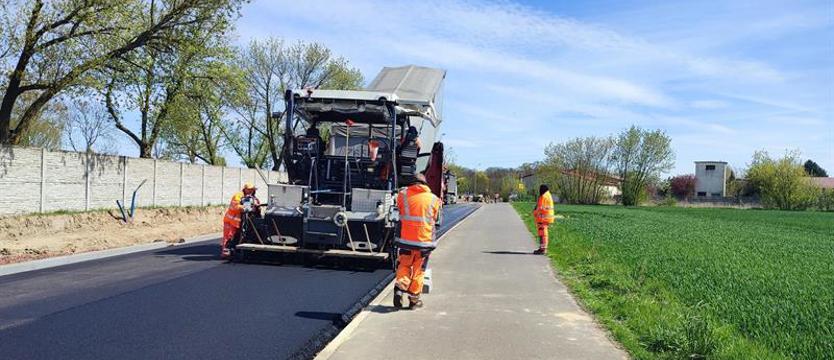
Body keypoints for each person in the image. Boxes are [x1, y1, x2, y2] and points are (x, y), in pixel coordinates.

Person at [394, 173, 442, 309]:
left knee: (404, 263)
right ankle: (414, 300)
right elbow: (437, 220)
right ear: (425, 184)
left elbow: (400, 210)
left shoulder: (402, 195)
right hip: (424, 242)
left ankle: (400, 286)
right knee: (418, 269)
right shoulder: (434, 199)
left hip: (405, 240)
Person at [221, 183, 260, 259]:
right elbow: (235, 206)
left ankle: (234, 251)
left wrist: (256, 206)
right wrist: (247, 208)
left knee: (238, 237)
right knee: (229, 236)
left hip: (240, 222)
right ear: (246, 189)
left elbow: (256, 204)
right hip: (231, 220)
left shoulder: (252, 197)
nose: (252, 191)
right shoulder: (238, 196)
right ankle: (225, 253)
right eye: (250, 189)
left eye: (253, 189)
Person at [532, 184, 555, 255]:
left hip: (543, 218)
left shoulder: (543, 196)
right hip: (546, 218)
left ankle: (543, 249)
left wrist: (534, 212)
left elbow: (540, 208)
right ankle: (542, 248)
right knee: (542, 234)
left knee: (543, 234)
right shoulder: (548, 195)